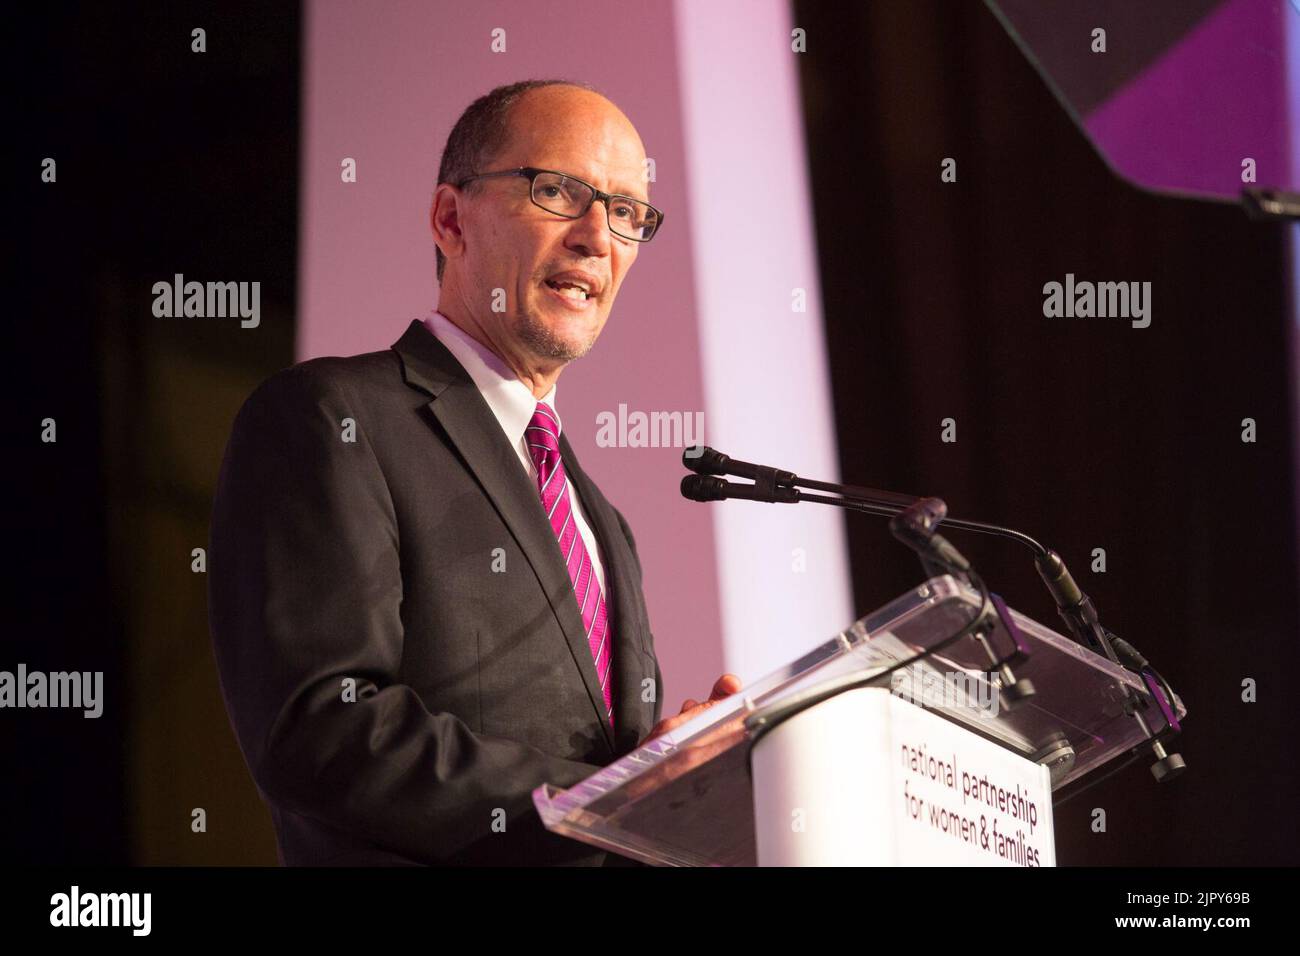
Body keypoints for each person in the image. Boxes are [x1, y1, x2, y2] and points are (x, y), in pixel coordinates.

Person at [208, 78, 741, 866]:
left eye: (627, 213)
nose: (599, 236)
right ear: (451, 220)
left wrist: (676, 784)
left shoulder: (603, 523)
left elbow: (614, 786)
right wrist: (608, 803)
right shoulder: (333, 418)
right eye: (560, 191)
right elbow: (323, 729)